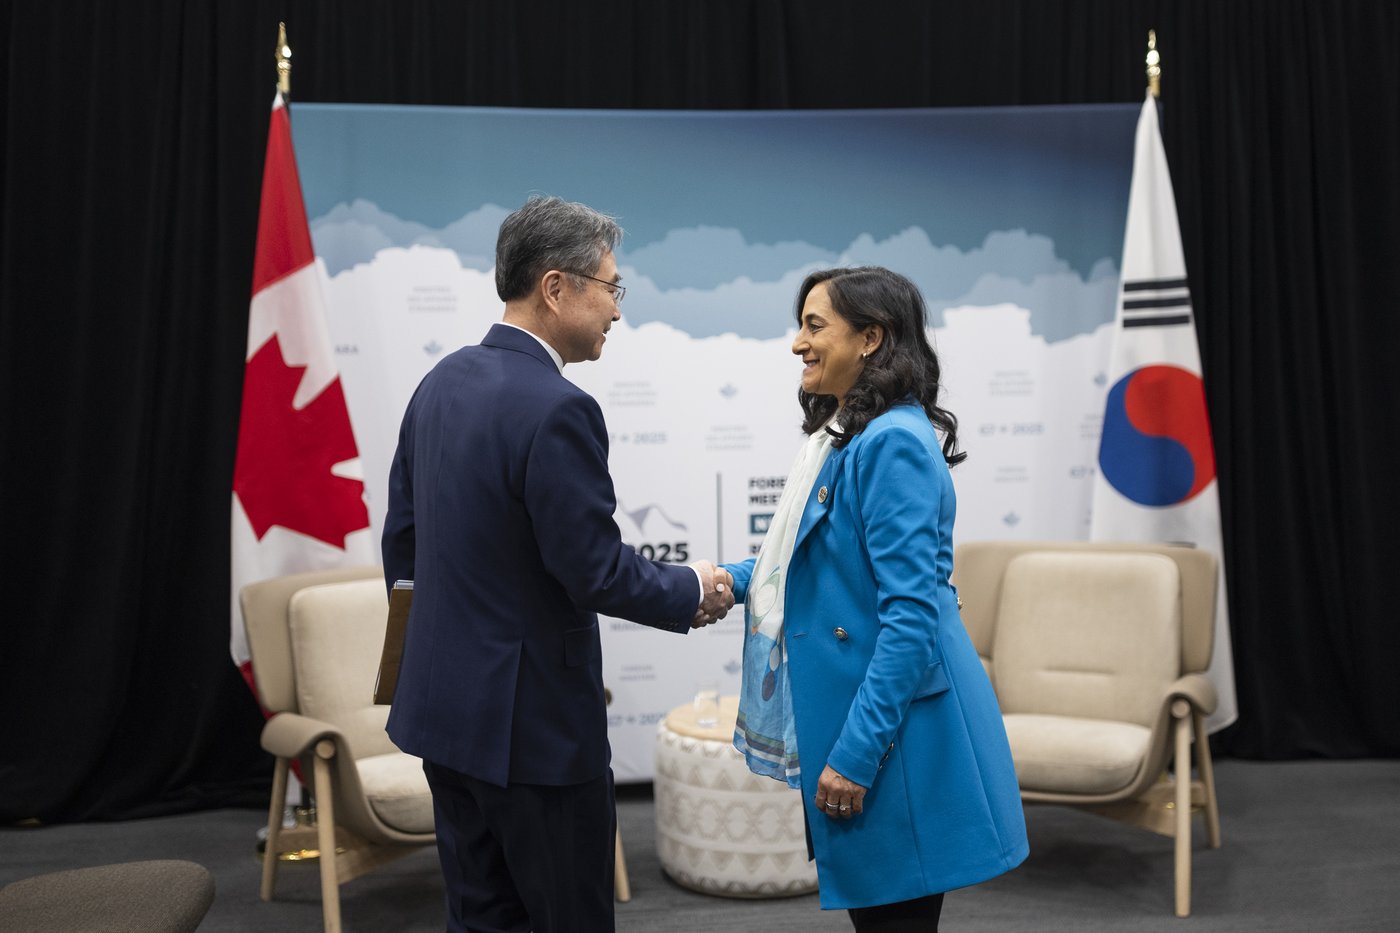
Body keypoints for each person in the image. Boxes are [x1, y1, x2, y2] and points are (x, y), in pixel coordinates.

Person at [381, 195, 734, 933]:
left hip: (443, 716)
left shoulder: (439, 381)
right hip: (533, 736)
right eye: (611, 286)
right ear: (555, 287)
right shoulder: (558, 407)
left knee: (480, 920)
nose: (617, 310)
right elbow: (592, 569)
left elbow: (403, 543)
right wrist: (690, 588)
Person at [719, 267, 1028, 931]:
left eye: (814, 326)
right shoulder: (851, 434)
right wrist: (723, 580)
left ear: (870, 338)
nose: (798, 343)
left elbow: (911, 620)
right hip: (879, 720)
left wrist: (855, 755)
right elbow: (813, 561)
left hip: (896, 738)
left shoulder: (890, 443)